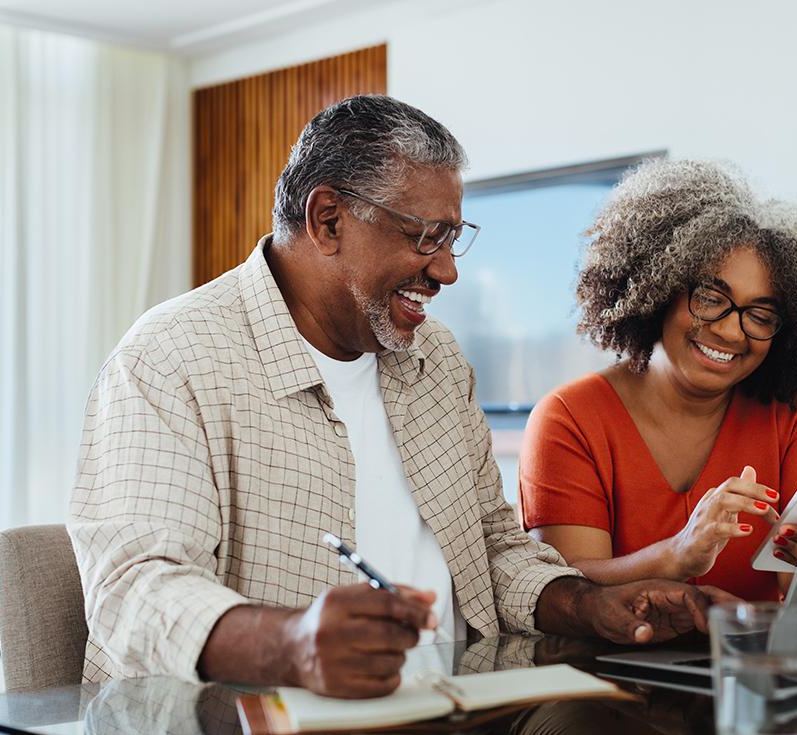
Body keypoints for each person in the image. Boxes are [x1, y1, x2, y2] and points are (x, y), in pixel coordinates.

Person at [68, 96, 727, 701]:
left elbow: (495, 547)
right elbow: (134, 591)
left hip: (449, 733)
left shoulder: (437, 358)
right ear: (327, 220)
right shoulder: (172, 358)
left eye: (453, 238)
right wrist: (292, 646)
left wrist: (588, 605)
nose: (447, 270)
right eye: (425, 236)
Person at [519, 159, 797, 601]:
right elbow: (563, 593)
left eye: (760, 315)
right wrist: (677, 555)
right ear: (659, 289)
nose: (730, 331)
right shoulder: (570, 418)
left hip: (752, 646)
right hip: (610, 650)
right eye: (710, 298)